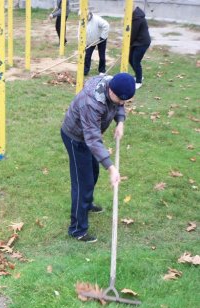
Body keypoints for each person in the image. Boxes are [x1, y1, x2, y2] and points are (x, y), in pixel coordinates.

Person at [60, 73, 135, 242]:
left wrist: (120, 122)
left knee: (93, 173)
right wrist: (111, 167)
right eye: (120, 100)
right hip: (76, 138)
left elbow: (119, 106)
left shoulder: (114, 85)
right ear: (111, 92)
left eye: (126, 101)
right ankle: (77, 230)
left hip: (88, 136)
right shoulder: (91, 103)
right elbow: (92, 139)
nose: (122, 104)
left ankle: (86, 204)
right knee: (82, 183)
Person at [130, 6, 151, 89]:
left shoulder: (137, 19)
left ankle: (139, 81)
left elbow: (133, 33)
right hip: (137, 42)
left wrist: (128, 44)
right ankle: (138, 75)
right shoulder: (135, 16)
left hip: (142, 43)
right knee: (130, 58)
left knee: (136, 61)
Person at [83, 12, 110, 76]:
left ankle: (102, 70)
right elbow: (80, 32)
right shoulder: (82, 20)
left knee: (101, 55)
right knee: (87, 55)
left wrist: (103, 36)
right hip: (91, 41)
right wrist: (82, 43)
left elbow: (106, 25)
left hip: (101, 39)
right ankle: (85, 70)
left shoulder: (97, 19)